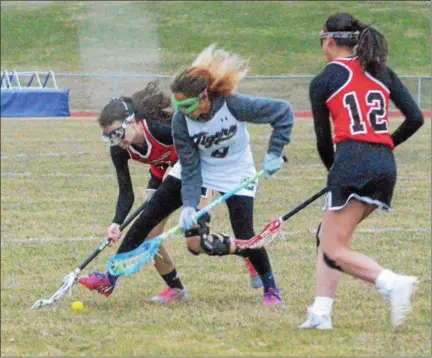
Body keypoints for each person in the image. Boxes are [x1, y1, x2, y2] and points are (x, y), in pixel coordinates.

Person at [78, 82, 263, 303]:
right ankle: (175, 289)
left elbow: (199, 147)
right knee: (149, 234)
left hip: (196, 172)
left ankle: (248, 252)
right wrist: (116, 222)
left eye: (117, 133)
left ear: (132, 122)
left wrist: (177, 173)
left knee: (196, 242)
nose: (116, 141)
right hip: (161, 175)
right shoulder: (119, 150)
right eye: (110, 137)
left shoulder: (159, 129)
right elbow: (126, 192)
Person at [299, 13, 424, 329]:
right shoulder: (380, 70)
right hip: (384, 165)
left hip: (351, 161)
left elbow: (324, 142)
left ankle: (391, 282)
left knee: (332, 248)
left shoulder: (324, 80)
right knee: (327, 236)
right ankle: (321, 314)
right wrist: (384, 145)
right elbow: (415, 118)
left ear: (328, 41)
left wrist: (336, 173)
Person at [169, 44, 294, 306]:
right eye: (177, 105)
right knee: (195, 244)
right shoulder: (181, 121)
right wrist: (190, 205)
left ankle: (270, 286)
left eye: (188, 105)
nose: (182, 111)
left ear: (204, 97)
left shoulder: (233, 105)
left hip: (238, 171)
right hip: (207, 170)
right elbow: (190, 169)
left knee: (246, 234)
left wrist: (274, 153)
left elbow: (283, 112)